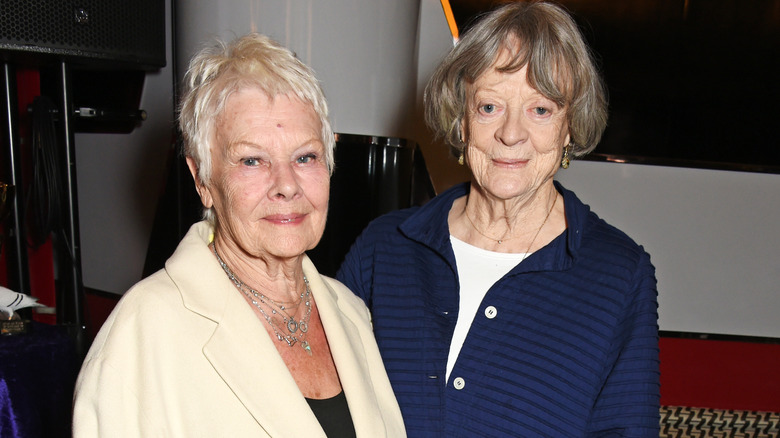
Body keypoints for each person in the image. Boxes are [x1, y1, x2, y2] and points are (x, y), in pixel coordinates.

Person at [337, 2, 660, 436]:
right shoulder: (386, 246)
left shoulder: (620, 274)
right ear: (462, 119)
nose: (511, 133)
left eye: (540, 110)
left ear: (569, 128)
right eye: (489, 107)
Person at [72, 33, 405, 437]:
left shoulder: (351, 313)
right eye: (252, 160)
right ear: (203, 181)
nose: (286, 185)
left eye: (305, 157)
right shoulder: (142, 332)